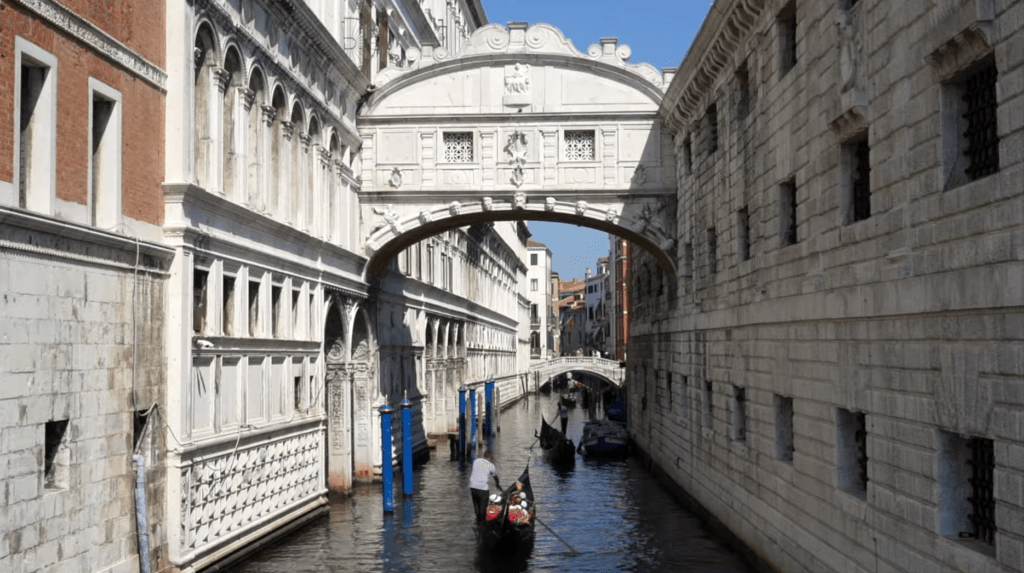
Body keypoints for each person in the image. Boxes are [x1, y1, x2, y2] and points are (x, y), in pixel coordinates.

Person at [469, 450, 500, 521]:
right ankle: (482, 524)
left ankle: (477, 520)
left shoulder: (476, 461)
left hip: (473, 487)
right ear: (491, 457)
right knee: (483, 510)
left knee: (476, 506)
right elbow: (495, 476)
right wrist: (497, 484)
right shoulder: (491, 465)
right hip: (482, 489)